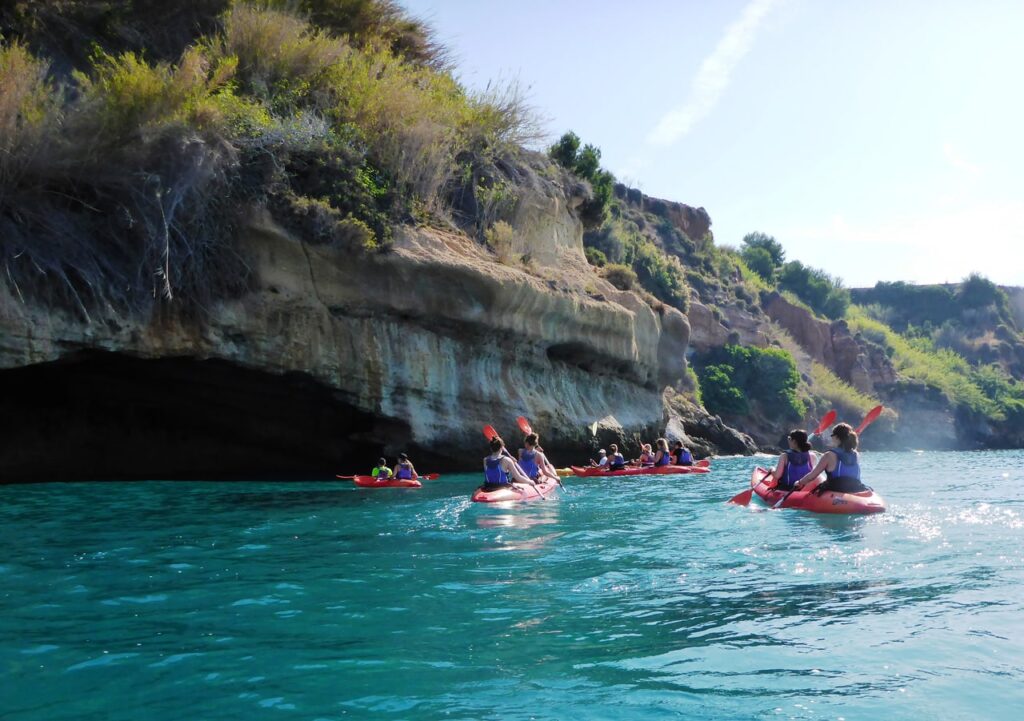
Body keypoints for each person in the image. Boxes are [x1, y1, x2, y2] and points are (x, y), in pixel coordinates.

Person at [794, 423, 868, 494]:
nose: (831, 437)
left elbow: (812, 476)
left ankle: (799, 495)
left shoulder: (829, 455)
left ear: (836, 437)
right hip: (856, 488)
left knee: (818, 478)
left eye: (832, 435)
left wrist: (799, 482)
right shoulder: (856, 454)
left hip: (837, 489)